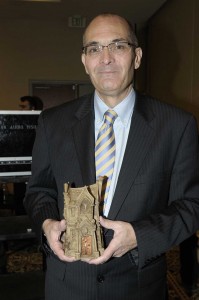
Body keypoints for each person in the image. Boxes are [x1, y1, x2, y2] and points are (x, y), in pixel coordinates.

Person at [24, 13, 199, 300]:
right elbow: (39, 191)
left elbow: (192, 205)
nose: (105, 58)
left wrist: (139, 236)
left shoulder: (176, 126)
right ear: (84, 61)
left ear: (137, 56)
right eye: (94, 48)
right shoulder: (52, 123)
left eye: (118, 46)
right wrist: (47, 224)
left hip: (138, 286)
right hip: (67, 284)